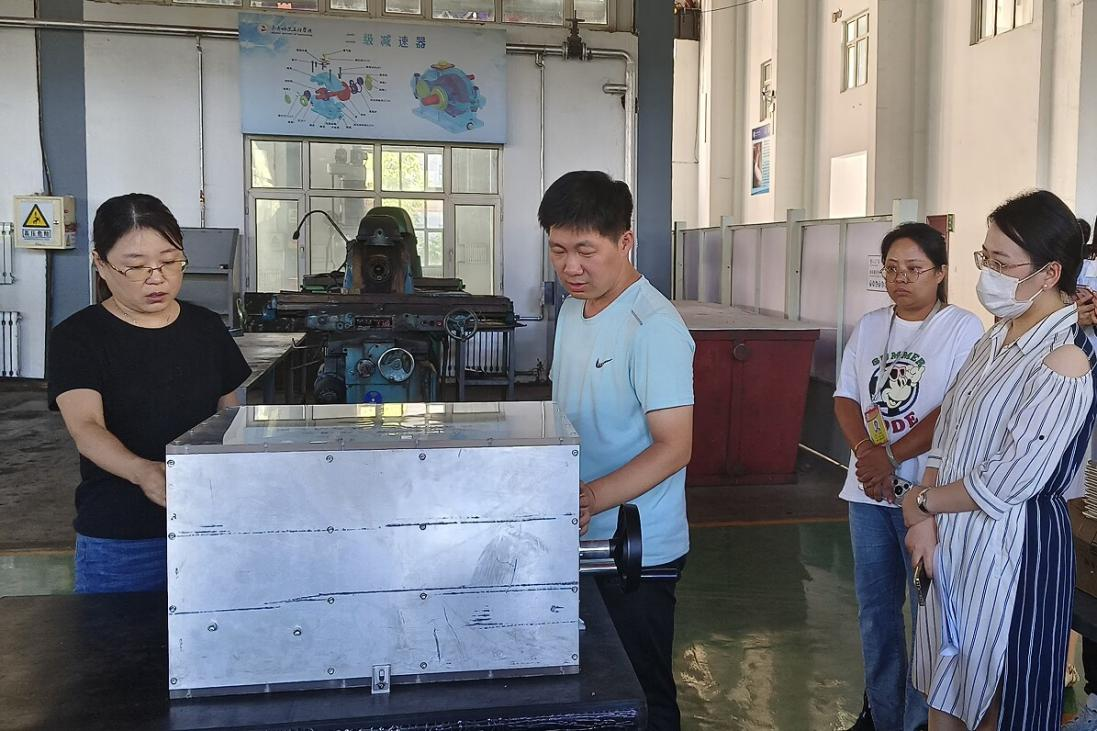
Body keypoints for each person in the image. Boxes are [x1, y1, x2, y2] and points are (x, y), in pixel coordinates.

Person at [905, 190, 1097, 730]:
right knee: (947, 680)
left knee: (998, 695)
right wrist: (925, 517)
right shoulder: (993, 342)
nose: (987, 273)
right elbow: (949, 434)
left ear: (1049, 272)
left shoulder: (1064, 361)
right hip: (953, 541)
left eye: (1001, 263)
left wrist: (921, 503)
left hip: (1015, 550)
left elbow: (1005, 482)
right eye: (984, 257)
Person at [541, 171, 695, 731]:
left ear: (625, 241)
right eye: (558, 250)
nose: (570, 267)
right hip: (577, 532)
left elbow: (675, 447)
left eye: (586, 251)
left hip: (636, 549)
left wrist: (591, 497)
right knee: (590, 690)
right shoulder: (571, 311)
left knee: (643, 696)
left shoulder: (652, 326)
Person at [48, 193, 251, 594]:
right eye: (136, 267)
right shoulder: (78, 337)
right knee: (117, 634)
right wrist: (143, 472)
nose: (156, 278)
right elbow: (86, 427)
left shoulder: (206, 328)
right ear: (100, 264)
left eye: (170, 262)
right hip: (123, 538)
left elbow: (229, 414)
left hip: (207, 525)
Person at [834, 223, 984, 731]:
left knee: (928, 615)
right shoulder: (870, 324)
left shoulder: (962, 328)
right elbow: (845, 397)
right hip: (868, 496)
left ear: (940, 273)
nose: (901, 279)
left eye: (914, 269)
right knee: (875, 611)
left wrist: (891, 455)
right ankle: (881, 714)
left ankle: (921, 720)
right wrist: (866, 453)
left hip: (928, 498)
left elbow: (954, 409)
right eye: (892, 269)